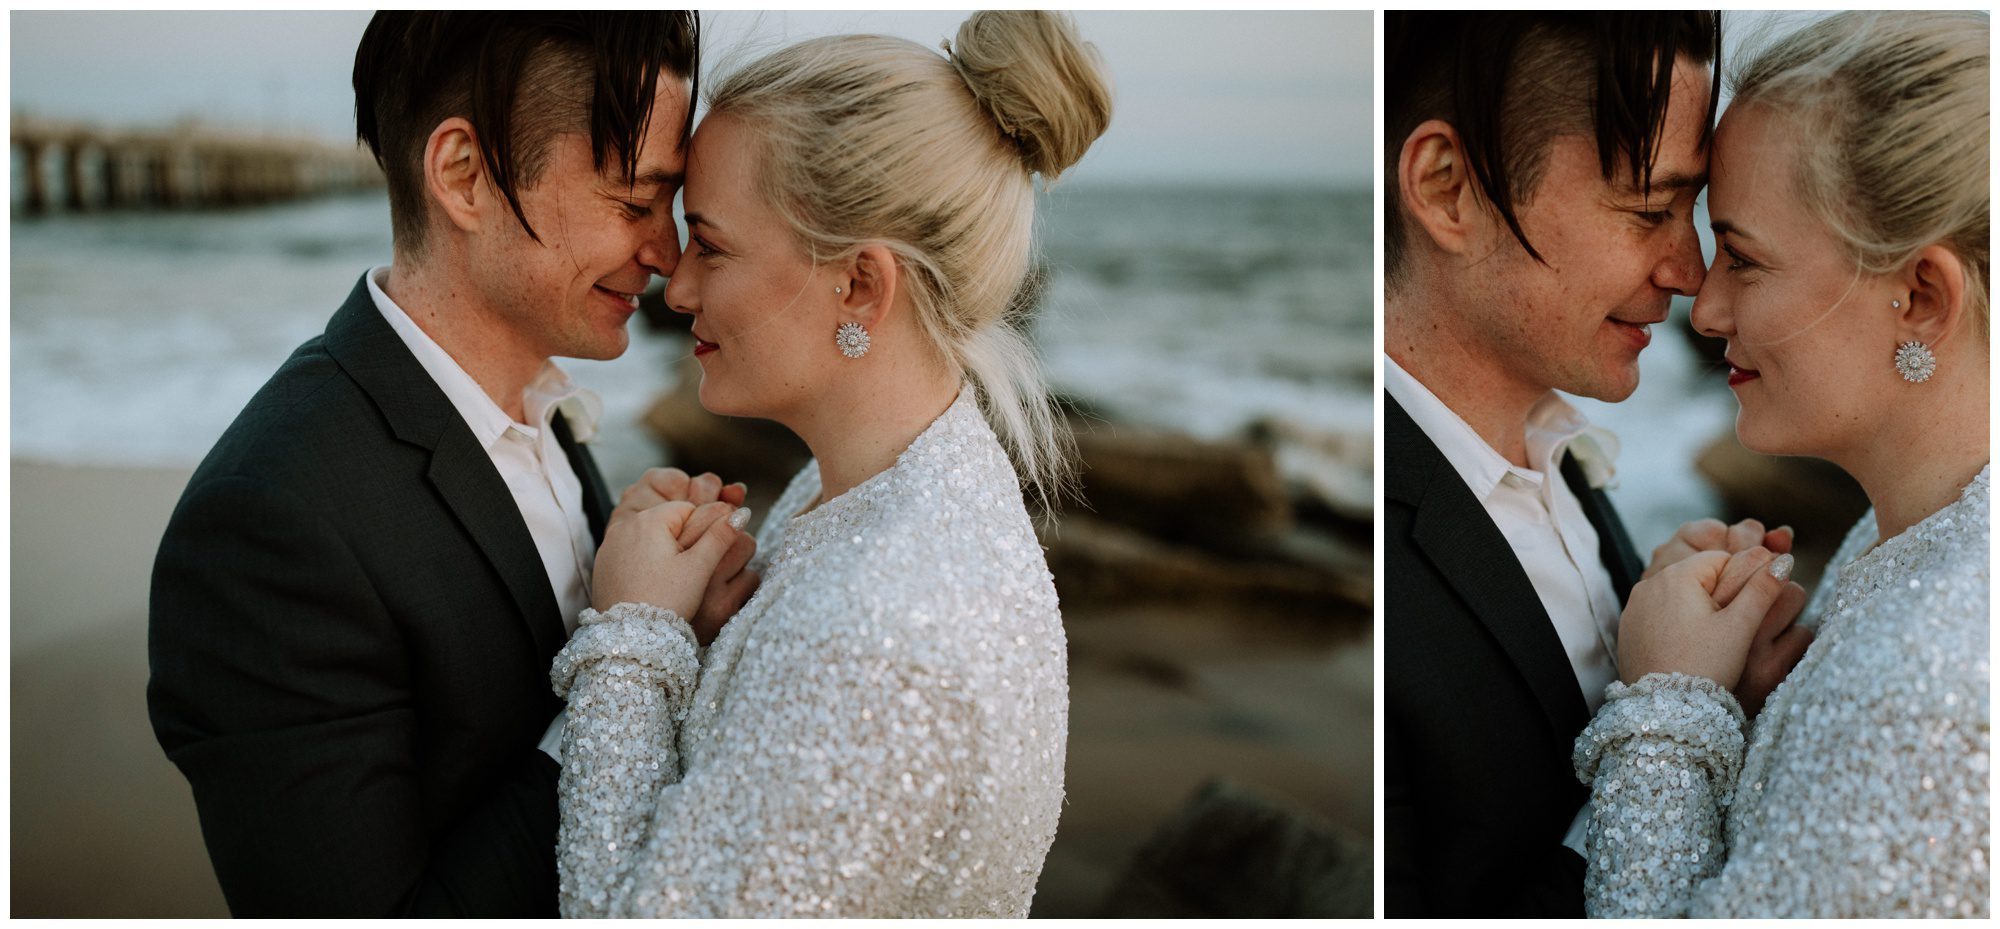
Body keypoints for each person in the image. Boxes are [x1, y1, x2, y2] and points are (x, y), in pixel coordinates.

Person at [144, 13, 759, 916]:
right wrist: (631, 648)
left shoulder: (542, 400)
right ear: (464, 176)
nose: (666, 254)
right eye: (633, 202)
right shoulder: (267, 525)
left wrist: (672, 620)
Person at [540, 11, 1112, 917]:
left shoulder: (883, 638)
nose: (676, 285)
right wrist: (716, 637)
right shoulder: (872, 482)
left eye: (714, 245)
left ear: (860, 284)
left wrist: (635, 634)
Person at [1572, 11, 1989, 917]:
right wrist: (1756, 720)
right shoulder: (1901, 533)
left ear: (1920, 296)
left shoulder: (1935, 699)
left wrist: (1670, 711)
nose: (1704, 307)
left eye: (1746, 259)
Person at [1380, 12, 1788, 916]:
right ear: (1447, 189)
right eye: (1650, 208)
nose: (1691, 271)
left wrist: (1721, 702)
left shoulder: (1554, 442)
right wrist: (1663, 712)